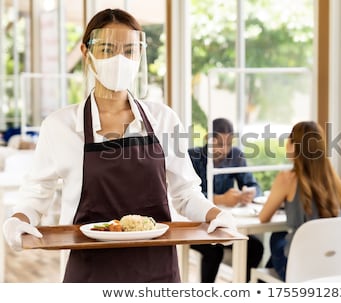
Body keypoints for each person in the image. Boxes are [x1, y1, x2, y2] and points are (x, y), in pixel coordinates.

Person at [1, 8, 234, 283]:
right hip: (90, 270)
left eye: (129, 51)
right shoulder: (60, 125)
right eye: (107, 49)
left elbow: (184, 192)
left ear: (139, 56)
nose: (119, 60)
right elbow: (38, 192)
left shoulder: (163, 119)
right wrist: (18, 218)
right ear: (86, 54)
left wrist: (215, 214)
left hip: (156, 269)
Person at [259, 121, 341, 281]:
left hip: (301, 269)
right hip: (333, 267)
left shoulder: (287, 178)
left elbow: (263, 217)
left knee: (277, 236)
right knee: (280, 247)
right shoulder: (333, 180)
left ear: (294, 146)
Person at [188, 118, 264, 282]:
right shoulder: (192, 157)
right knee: (215, 251)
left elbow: (254, 185)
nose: (224, 149)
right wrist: (221, 199)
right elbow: (188, 196)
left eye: (228, 143)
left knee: (255, 247)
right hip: (196, 225)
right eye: (219, 143)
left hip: (224, 224)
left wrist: (249, 192)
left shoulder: (235, 156)